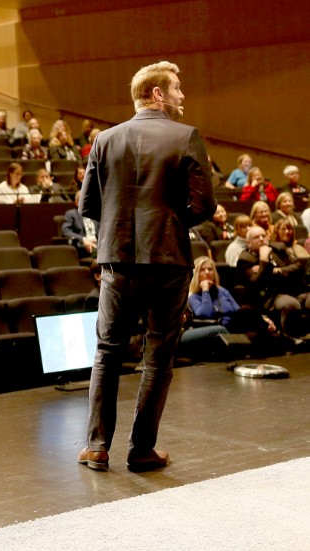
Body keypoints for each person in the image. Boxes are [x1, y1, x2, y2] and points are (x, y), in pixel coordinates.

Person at [77, 61, 215, 473]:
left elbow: (87, 206)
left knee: (106, 353)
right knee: (158, 358)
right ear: (157, 94)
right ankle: (141, 450)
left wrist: (121, 226)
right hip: (168, 261)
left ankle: (97, 447)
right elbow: (204, 205)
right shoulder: (185, 137)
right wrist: (170, 225)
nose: (181, 95)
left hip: (117, 260)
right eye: (176, 88)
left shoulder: (104, 139)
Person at [235, 224, 308, 338]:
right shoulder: (245, 259)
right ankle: (290, 339)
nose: (261, 239)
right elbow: (256, 282)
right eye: (256, 237)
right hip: (270, 296)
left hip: (295, 289)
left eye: (263, 236)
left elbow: (299, 265)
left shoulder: (278, 248)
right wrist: (263, 259)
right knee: (290, 304)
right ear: (248, 242)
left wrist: (277, 270)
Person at [187, 255, 276, 337]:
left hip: (235, 326)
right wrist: (205, 290)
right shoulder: (193, 296)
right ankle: (270, 330)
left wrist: (262, 319)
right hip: (218, 329)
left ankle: (269, 329)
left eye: (210, 269)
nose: (207, 272)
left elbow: (237, 310)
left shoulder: (222, 291)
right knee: (247, 311)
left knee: (248, 312)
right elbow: (206, 314)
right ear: (196, 274)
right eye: (202, 270)